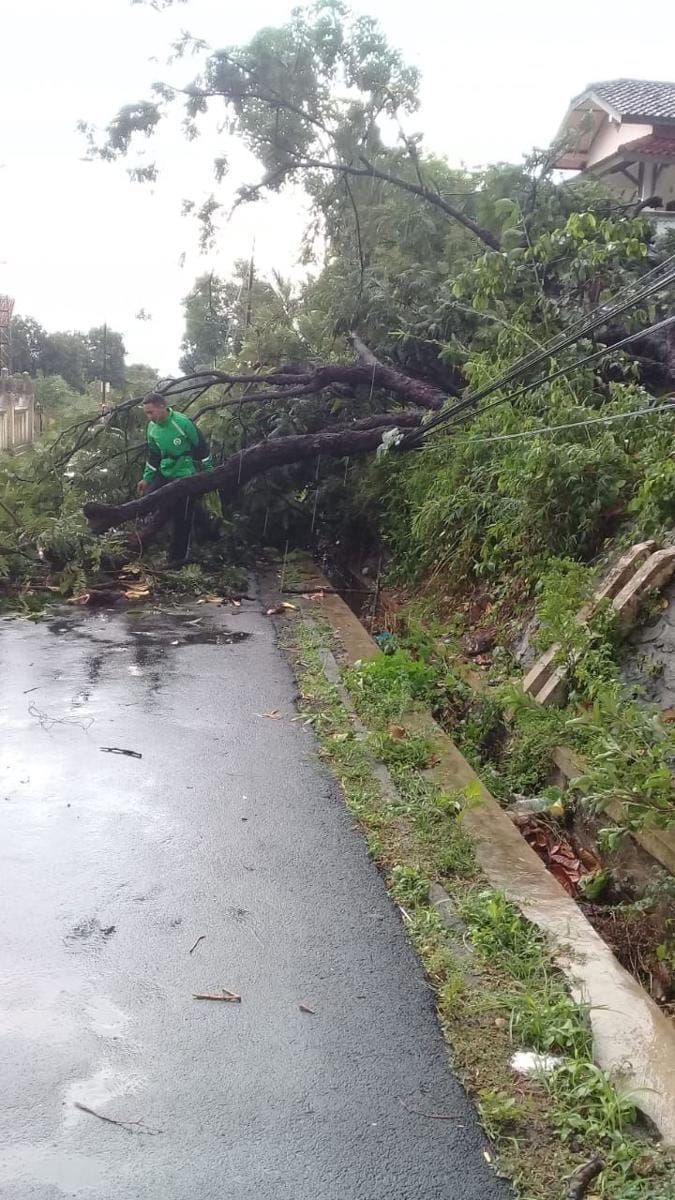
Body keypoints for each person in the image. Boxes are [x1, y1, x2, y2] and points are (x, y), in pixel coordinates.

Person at [137, 392, 214, 564]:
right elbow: (154, 456)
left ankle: (176, 559)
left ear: (162, 406)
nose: (149, 417)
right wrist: (146, 479)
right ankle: (145, 546)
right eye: (146, 413)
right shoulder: (152, 427)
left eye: (151, 412)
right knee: (148, 503)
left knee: (182, 517)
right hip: (165, 473)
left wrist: (211, 473)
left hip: (186, 475)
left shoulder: (182, 423)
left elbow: (202, 449)